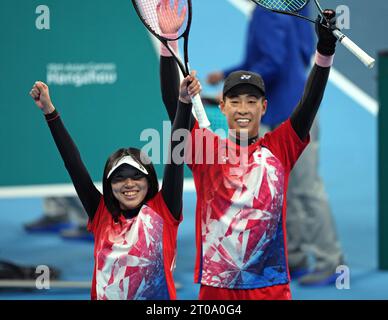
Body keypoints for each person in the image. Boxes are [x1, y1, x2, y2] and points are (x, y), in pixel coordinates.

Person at [162, 6, 340, 299]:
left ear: (264, 108)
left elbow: (309, 103)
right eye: (235, 102)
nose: (243, 109)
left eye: (251, 101)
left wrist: (325, 51)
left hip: (269, 290)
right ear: (222, 106)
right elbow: (172, 103)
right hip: (217, 291)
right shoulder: (205, 152)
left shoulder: (280, 148)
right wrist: (169, 41)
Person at [28, 65, 200, 299]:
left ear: (149, 180)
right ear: (109, 185)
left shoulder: (163, 210)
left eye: (136, 176)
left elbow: (176, 157)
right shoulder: (100, 213)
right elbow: (73, 164)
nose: (129, 183)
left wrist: (184, 102)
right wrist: (49, 111)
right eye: (119, 178)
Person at [206, 4, 344, 286]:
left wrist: (232, 91)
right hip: (297, 104)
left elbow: (271, 62)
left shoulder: (266, 11)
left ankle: (332, 260)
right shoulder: (297, 8)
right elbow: (303, 51)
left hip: (286, 115)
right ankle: (294, 256)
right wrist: (227, 73)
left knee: (303, 189)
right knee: (286, 188)